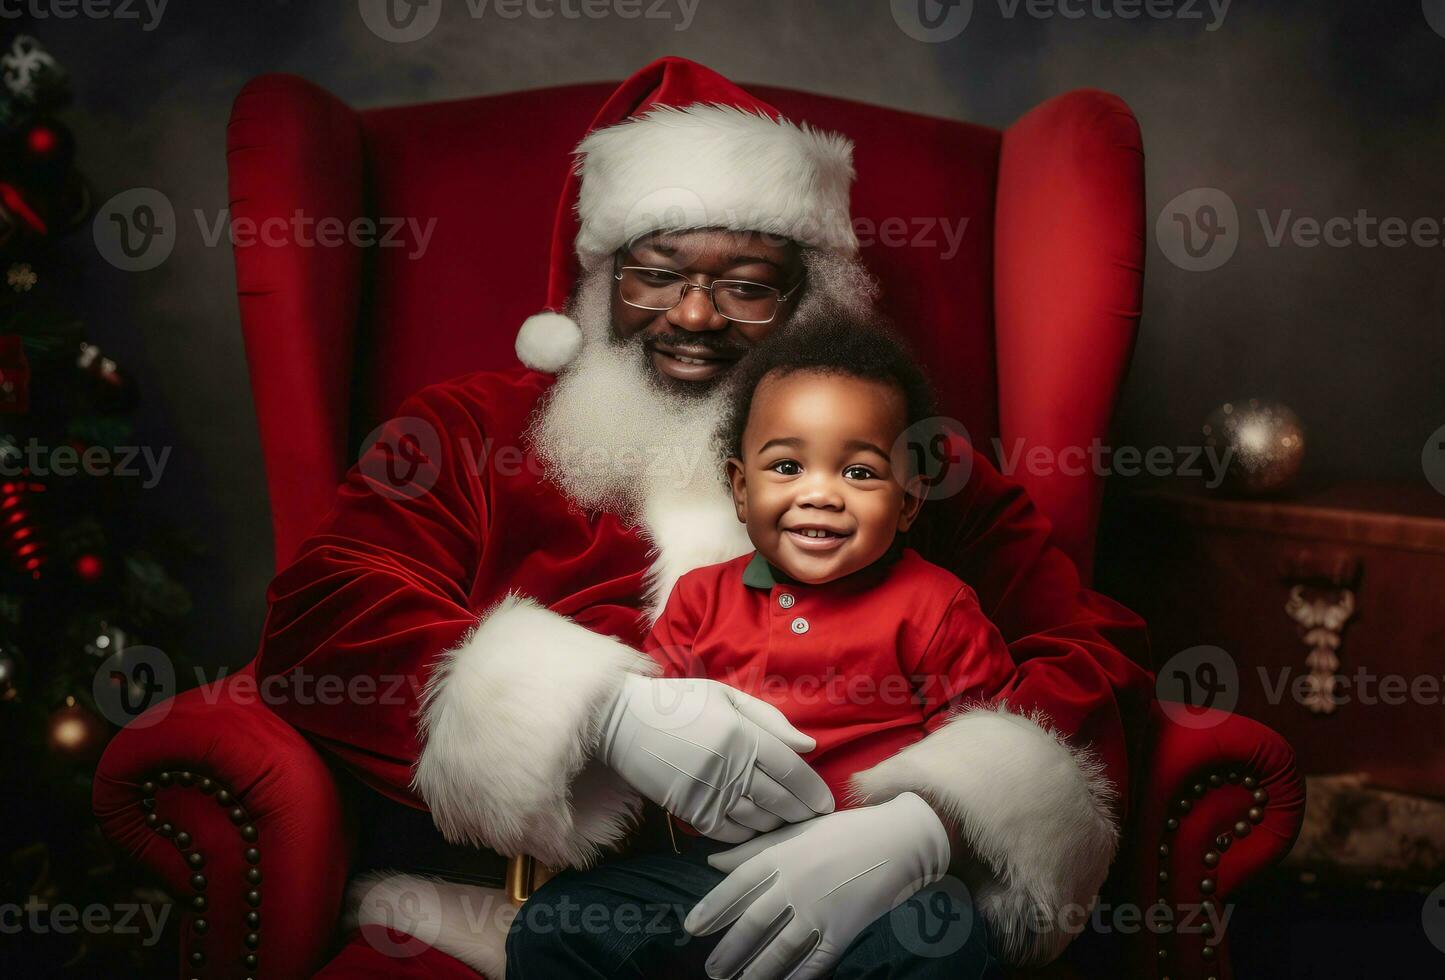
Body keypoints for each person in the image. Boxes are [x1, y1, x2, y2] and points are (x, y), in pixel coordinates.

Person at [257, 56, 1154, 978]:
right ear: (601, 280)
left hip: (849, 907)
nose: (693, 315)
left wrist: (929, 824)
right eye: (656, 273)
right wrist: (601, 714)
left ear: (808, 295)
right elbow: (320, 617)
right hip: (583, 900)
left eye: (747, 284)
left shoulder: (900, 456)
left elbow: (1088, 651)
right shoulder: (465, 432)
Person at [511, 316, 1017, 978]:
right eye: (786, 466)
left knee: (948, 932)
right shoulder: (699, 598)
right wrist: (618, 725)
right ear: (742, 490)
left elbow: (986, 760)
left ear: (910, 498)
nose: (819, 494)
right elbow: (654, 730)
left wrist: (921, 834)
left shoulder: (936, 605)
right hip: (710, 878)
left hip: (872, 887)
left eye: (860, 472)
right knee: (555, 924)